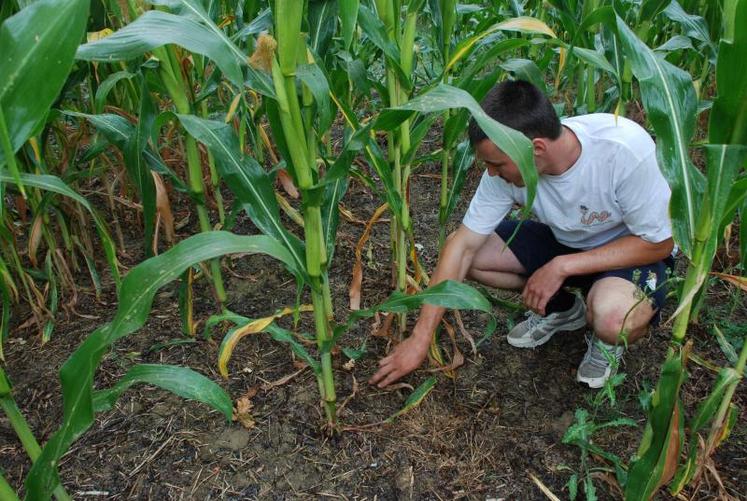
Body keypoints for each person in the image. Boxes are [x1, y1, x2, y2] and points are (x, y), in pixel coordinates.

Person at [369, 79, 674, 389]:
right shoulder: (506, 165)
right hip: (563, 241)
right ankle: (564, 310)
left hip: (629, 254)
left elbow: (660, 243)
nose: (490, 172)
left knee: (613, 320)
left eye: (495, 164)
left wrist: (562, 267)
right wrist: (420, 339)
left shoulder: (623, 152)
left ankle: (606, 341)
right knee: (471, 257)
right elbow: (462, 247)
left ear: (536, 148)